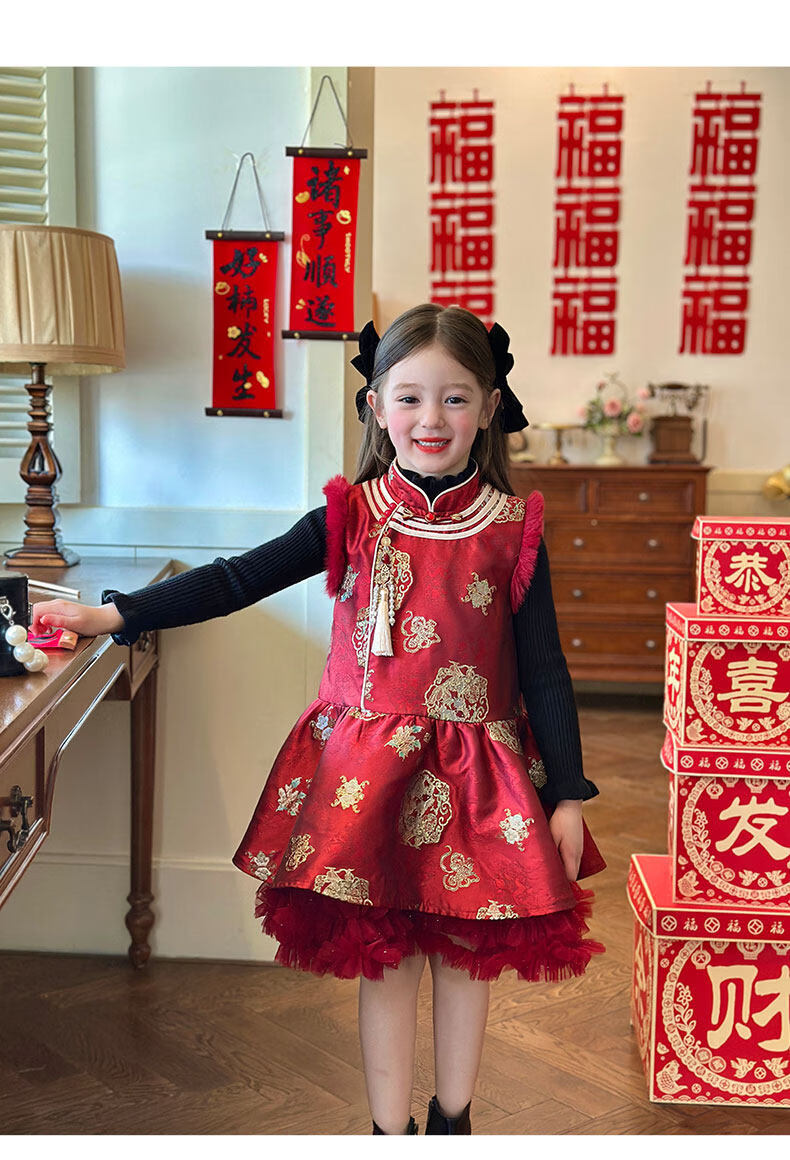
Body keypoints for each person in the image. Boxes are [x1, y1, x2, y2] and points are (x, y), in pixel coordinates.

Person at [31, 303, 606, 1137]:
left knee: (465, 958)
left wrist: (570, 794)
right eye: (409, 397)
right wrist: (113, 615)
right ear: (376, 406)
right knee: (387, 965)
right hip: (366, 783)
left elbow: (545, 669)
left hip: (480, 785)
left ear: (489, 407)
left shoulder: (514, 529)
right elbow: (235, 579)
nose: (431, 418)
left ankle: (454, 1126)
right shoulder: (351, 516)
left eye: (454, 398)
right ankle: (387, 1135)